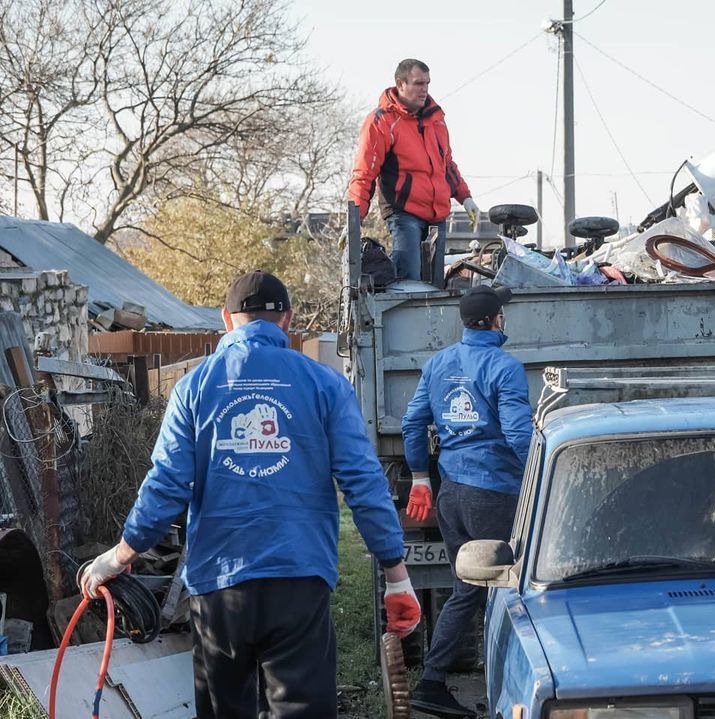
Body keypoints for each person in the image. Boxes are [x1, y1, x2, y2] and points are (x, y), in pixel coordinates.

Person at [79, 270, 422, 718]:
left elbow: (166, 484)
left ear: (226, 319)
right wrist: (396, 574)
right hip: (299, 581)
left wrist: (118, 557)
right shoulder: (325, 385)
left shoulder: (193, 388)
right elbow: (362, 480)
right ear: (288, 320)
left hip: (220, 588)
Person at [401, 285, 532, 719]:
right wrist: (542, 473)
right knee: (516, 588)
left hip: (451, 492)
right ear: (498, 320)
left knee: (469, 589)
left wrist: (421, 476)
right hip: (494, 493)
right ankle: (512, 692)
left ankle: (432, 682)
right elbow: (516, 434)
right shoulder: (504, 366)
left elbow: (411, 423)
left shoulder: (438, 364)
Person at [348, 58, 481, 286]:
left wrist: (465, 197)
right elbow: (365, 172)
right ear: (400, 84)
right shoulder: (381, 121)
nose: (425, 90)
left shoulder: (436, 120)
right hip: (403, 212)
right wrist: (354, 219)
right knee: (409, 280)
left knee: (435, 285)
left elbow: (446, 164)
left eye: (428, 83)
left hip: (436, 216)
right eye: (419, 83)